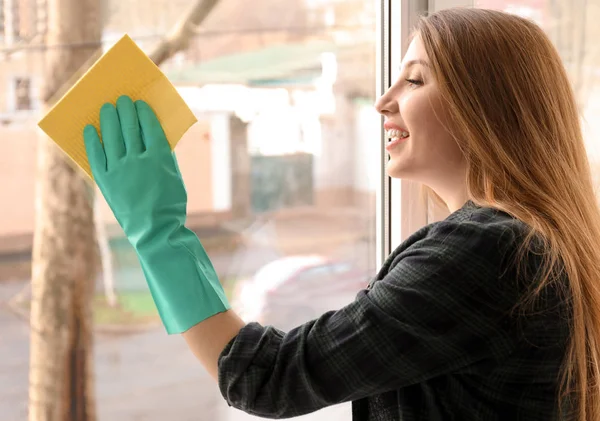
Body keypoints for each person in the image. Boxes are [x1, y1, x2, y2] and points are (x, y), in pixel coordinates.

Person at [82, 7, 600, 421]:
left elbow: (269, 378)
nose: (383, 101)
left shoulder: (488, 250)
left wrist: (158, 235)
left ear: (487, 107)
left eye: (415, 82)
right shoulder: (531, 241)